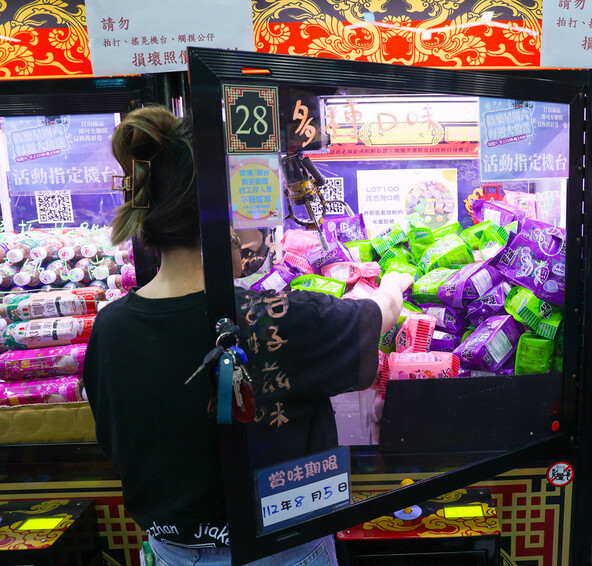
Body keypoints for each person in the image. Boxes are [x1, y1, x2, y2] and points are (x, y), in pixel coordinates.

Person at [83, 105, 413, 565]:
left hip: (172, 552)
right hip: (280, 552)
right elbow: (378, 314)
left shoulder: (110, 328)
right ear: (226, 216)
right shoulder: (273, 318)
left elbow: (115, 443)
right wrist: (394, 282)